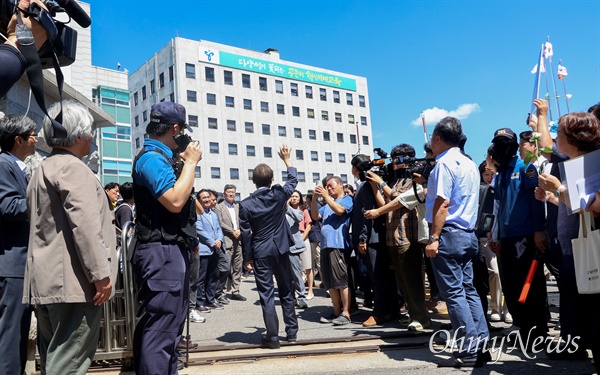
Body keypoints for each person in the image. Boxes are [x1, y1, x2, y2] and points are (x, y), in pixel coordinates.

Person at [23, 100, 117, 374]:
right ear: (78, 137)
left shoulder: (41, 168)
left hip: (46, 281)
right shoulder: (74, 169)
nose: (92, 139)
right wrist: (100, 274)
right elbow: (85, 225)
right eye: (91, 133)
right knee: (69, 363)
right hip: (75, 283)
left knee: (54, 358)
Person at [131, 101, 202, 374]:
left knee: (169, 328)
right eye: (183, 130)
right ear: (176, 129)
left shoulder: (164, 159)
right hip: (161, 252)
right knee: (161, 329)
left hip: (171, 250)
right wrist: (191, 162)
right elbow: (174, 200)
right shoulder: (151, 158)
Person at [537, 109, 600, 370]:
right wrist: (554, 197)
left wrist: (558, 188)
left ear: (573, 138)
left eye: (559, 133)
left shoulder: (594, 161)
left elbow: (595, 204)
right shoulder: (577, 162)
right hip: (577, 247)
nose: (554, 138)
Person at [424, 117, 489, 367]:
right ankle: (481, 343)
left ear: (438, 139)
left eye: (432, 140)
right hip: (468, 234)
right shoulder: (470, 163)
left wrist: (434, 238)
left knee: (454, 293)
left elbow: (442, 203)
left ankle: (469, 348)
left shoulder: (444, 165)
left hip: (449, 233)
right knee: (468, 289)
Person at [488, 126, 548, 349]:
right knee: (511, 284)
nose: (501, 148)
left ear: (513, 146)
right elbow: (498, 206)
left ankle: (538, 329)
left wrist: (538, 229)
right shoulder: (500, 173)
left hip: (525, 235)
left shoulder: (526, 167)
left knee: (530, 284)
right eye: (498, 143)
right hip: (506, 238)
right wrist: (496, 234)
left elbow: (536, 199)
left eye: (506, 143)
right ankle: (521, 325)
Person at [364, 144, 430, 331]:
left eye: (396, 160)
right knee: (403, 283)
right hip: (392, 237)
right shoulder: (395, 181)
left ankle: (422, 318)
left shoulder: (414, 180)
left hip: (408, 237)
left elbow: (399, 199)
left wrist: (382, 183)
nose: (393, 164)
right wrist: (375, 185)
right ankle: (413, 315)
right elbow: (385, 204)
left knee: (413, 281)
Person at [240, 145, 299, 349]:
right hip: (281, 248)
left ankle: (272, 337)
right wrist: (287, 160)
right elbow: (293, 180)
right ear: (272, 179)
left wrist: (247, 258)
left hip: (260, 250)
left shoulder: (246, 204)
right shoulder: (279, 195)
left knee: (266, 294)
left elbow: (246, 235)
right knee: (286, 289)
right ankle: (291, 332)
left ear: (253, 181)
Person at [0, 114, 36, 374]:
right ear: (18, 140)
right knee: (11, 337)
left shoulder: (16, 166)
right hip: (12, 264)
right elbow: (9, 206)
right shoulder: (3, 164)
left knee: (19, 334)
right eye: (32, 134)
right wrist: (44, 197)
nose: (37, 138)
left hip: (20, 265)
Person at [350, 154, 399, 328]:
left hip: (373, 238)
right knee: (384, 277)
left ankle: (380, 312)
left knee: (378, 278)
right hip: (376, 237)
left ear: (355, 169)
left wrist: (362, 239)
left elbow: (368, 213)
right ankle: (391, 310)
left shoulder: (366, 186)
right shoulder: (368, 185)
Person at [311, 176, 353, 326]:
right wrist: (315, 198)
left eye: (331, 185)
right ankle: (336, 311)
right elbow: (315, 216)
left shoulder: (347, 199)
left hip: (338, 245)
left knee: (341, 280)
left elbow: (341, 211)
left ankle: (346, 312)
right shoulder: (328, 204)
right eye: (326, 186)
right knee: (330, 282)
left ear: (341, 185)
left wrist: (326, 197)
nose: (328, 188)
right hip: (325, 246)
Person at [215, 184, 246, 301]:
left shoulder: (238, 207)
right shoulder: (219, 207)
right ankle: (221, 292)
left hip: (238, 240)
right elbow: (220, 222)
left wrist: (239, 231)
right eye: (229, 191)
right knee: (225, 268)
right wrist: (232, 231)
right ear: (224, 193)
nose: (231, 194)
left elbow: (243, 221)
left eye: (233, 192)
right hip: (227, 240)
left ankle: (235, 291)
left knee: (238, 267)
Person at [195, 189, 226, 311]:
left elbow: (218, 229)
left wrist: (219, 240)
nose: (207, 200)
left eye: (208, 197)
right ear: (199, 201)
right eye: (204, 198)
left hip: (215, 249)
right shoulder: (198, 213)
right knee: (201, 278)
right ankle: (198, 302)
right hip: (204, 249)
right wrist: (213, 242)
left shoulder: (213, 213)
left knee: (213, 276)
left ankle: (210, 299)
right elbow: (200, 230)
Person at [286, 190, 310, 309]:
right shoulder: (281, 212)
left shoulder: (298, 211)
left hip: (293, 247)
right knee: (285, 275)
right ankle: (290, 297)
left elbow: (299, 218)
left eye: (296, 196)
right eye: (292, 196)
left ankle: (301, 297)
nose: (293, 198)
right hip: (282, 247)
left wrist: (287, 207)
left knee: (296, 273)